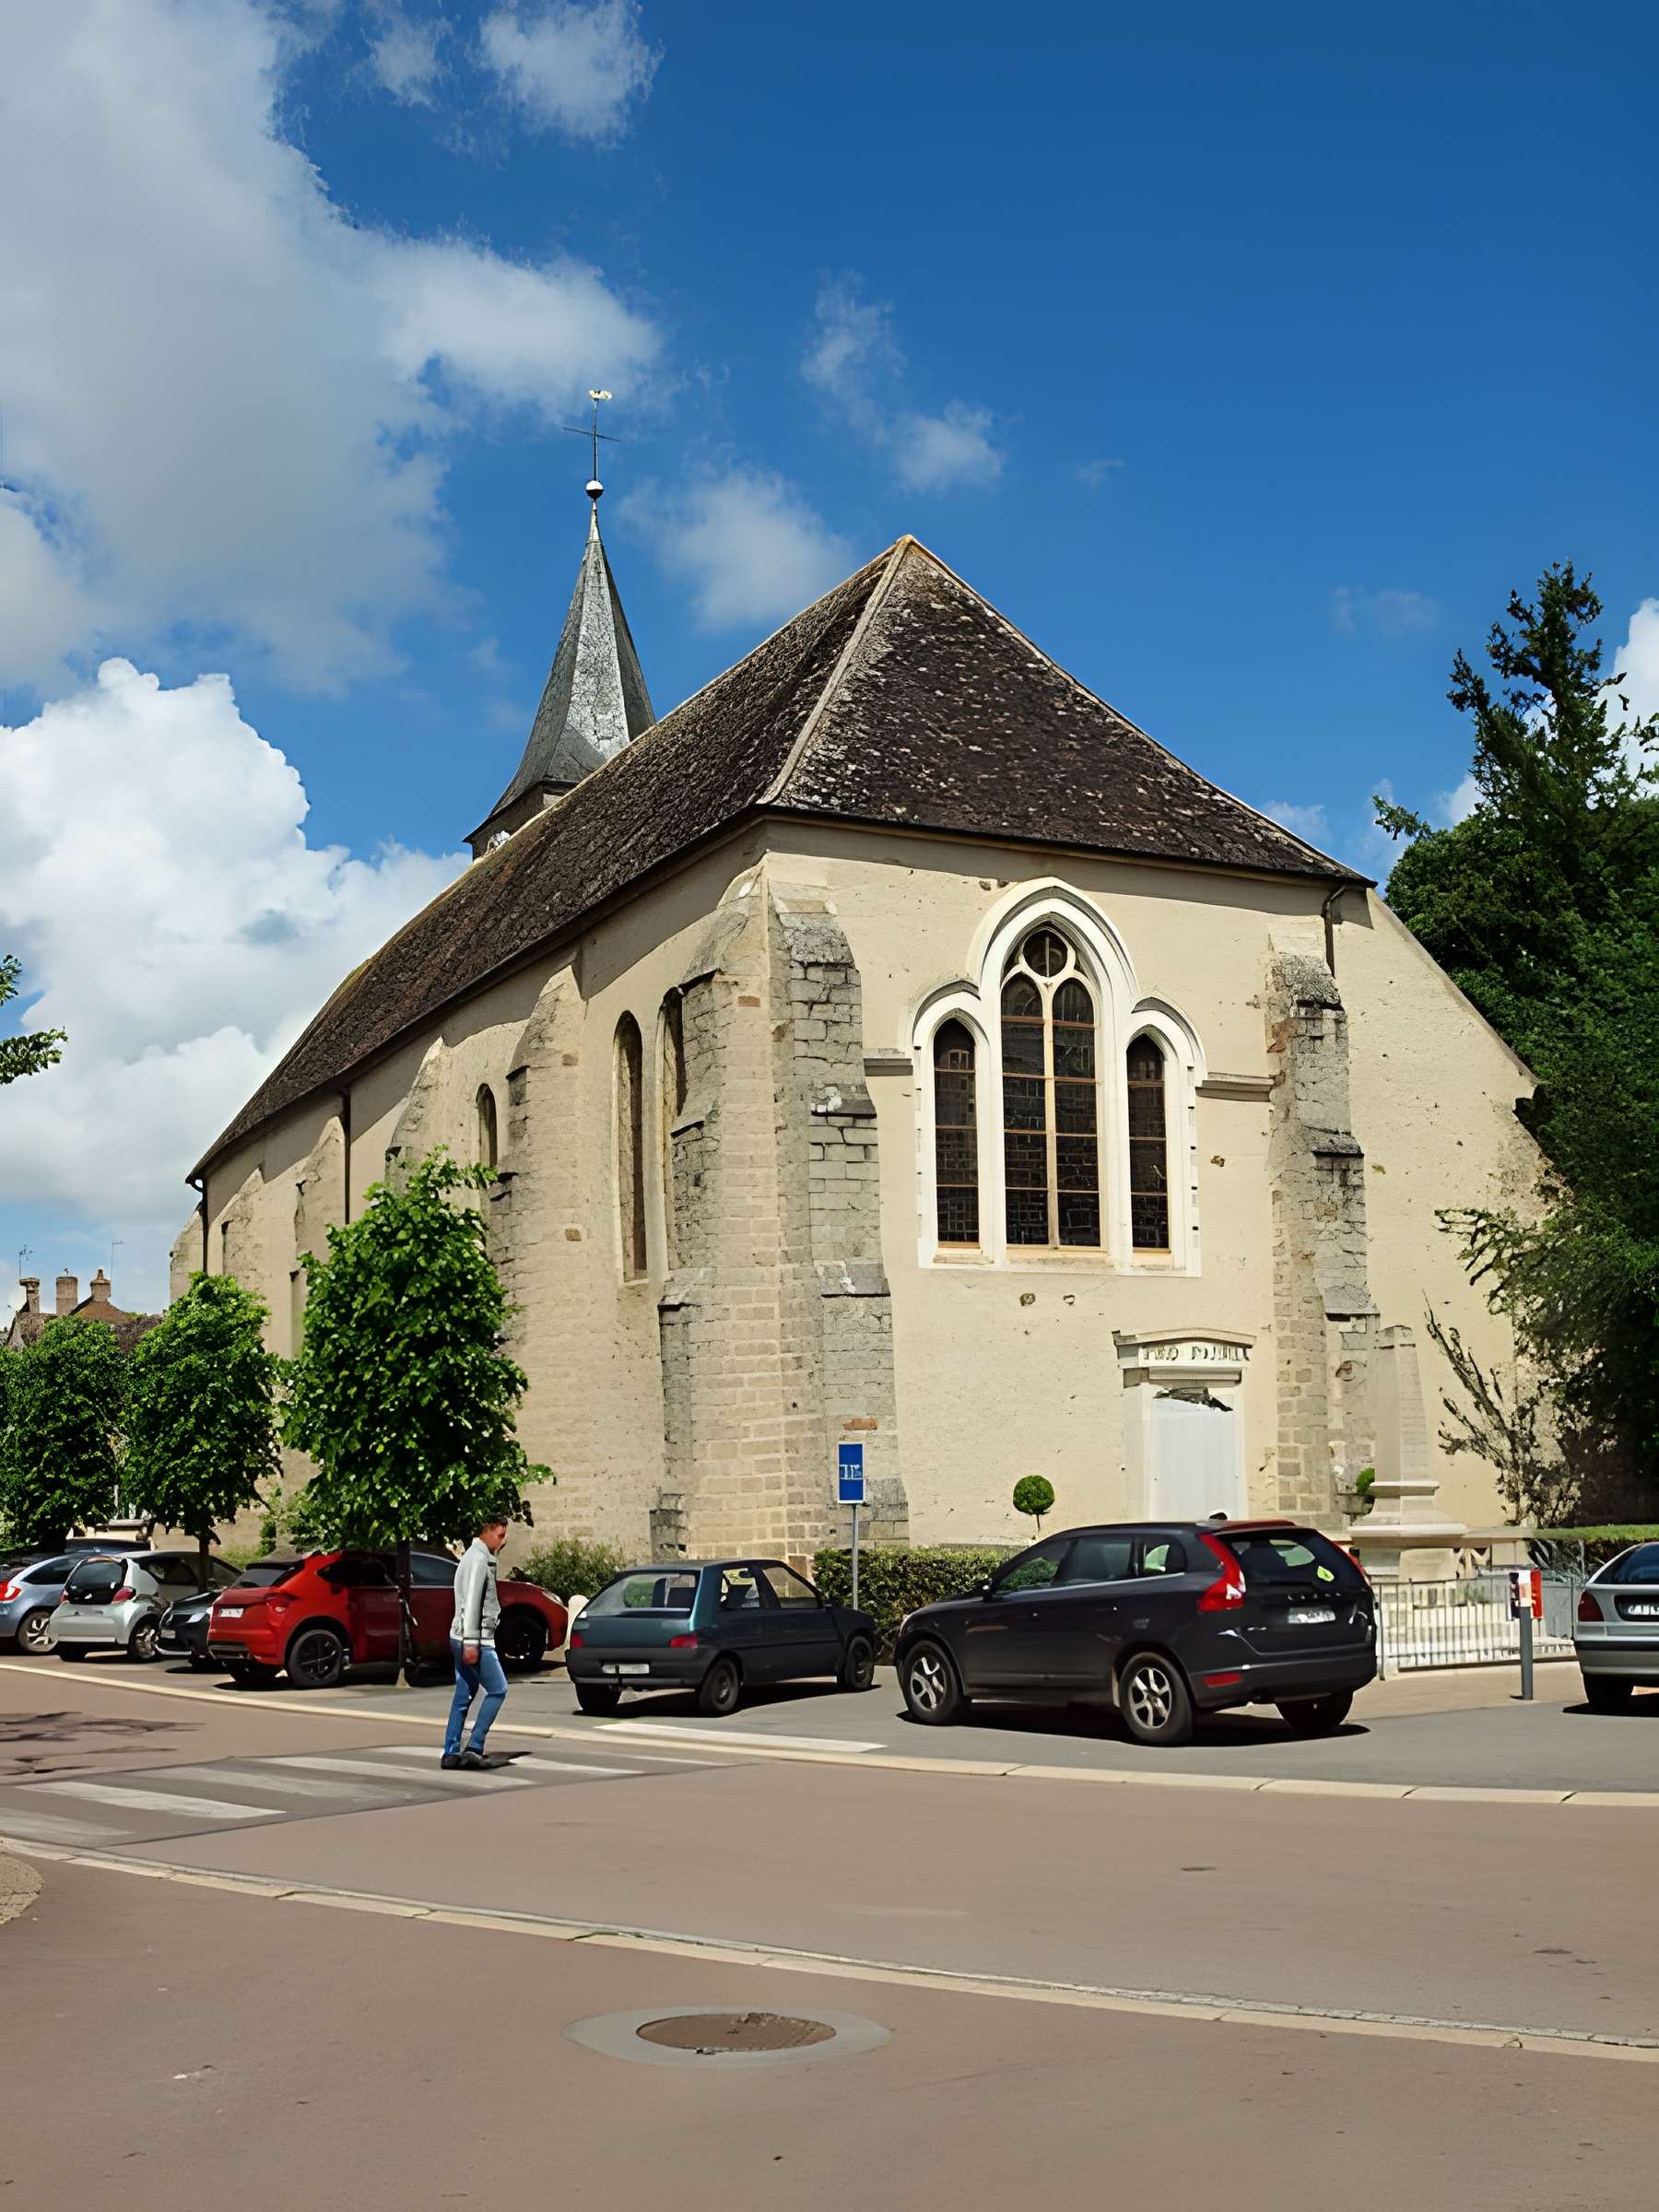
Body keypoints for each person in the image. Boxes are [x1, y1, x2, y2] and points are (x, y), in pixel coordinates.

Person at [442, 1514, 510, 1771]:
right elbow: (471, 1601)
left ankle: (450, 1752)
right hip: (476, 1638)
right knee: (498, 1689)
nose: (502, 1542)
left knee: (465, 1691)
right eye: (500, 1535)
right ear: (487, 1531)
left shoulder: (469, 1556)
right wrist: (472, 1641)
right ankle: (474, 1747)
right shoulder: (480, 1558)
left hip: (458, 1635)